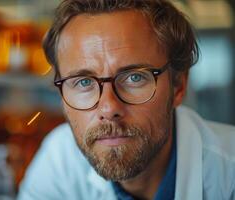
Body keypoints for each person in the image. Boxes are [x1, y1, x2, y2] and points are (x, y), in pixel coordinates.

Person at [17, 0, 235, 199]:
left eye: (134, 77)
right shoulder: (59, 162)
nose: (109, 107)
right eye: (84, 82)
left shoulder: (228, 176)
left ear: (178, 86)